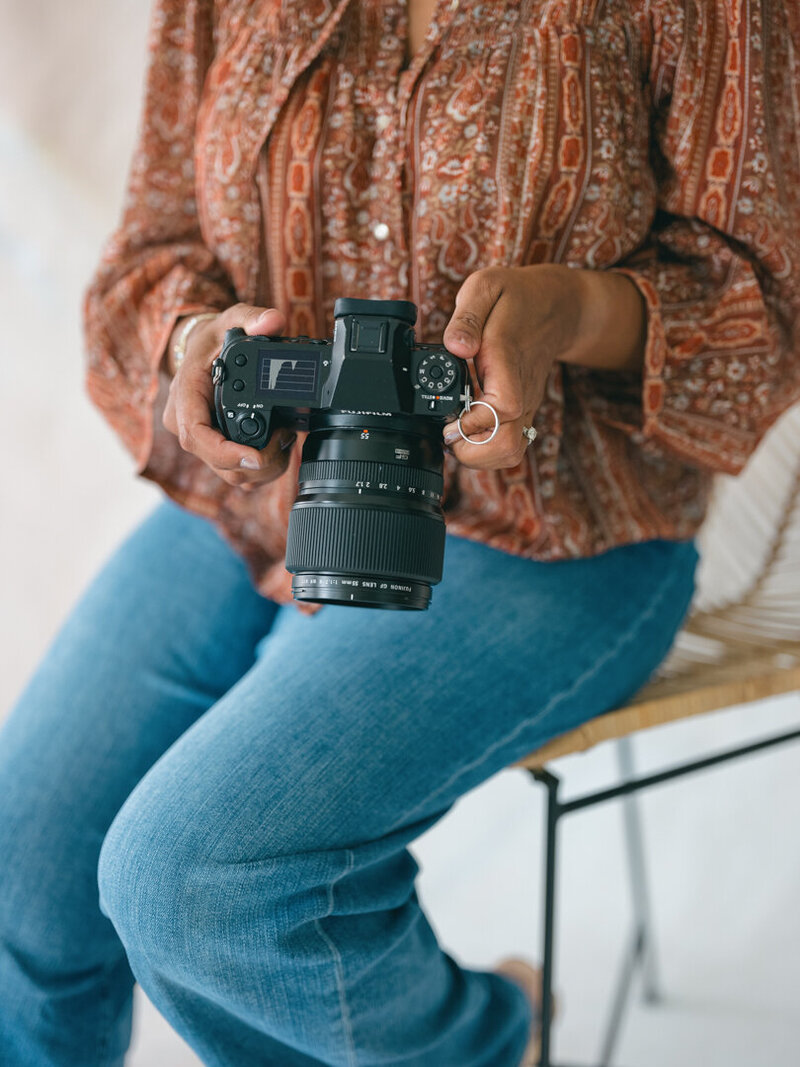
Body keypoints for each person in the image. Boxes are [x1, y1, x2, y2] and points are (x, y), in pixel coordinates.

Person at [1, 1, 798, 1064]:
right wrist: (195, 343)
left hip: (552, 522)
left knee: (199, 881)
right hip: (256, 490)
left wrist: (562, 314)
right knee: (23, 864)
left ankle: (474, 1042)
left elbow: (762, 303)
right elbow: (151, 246)